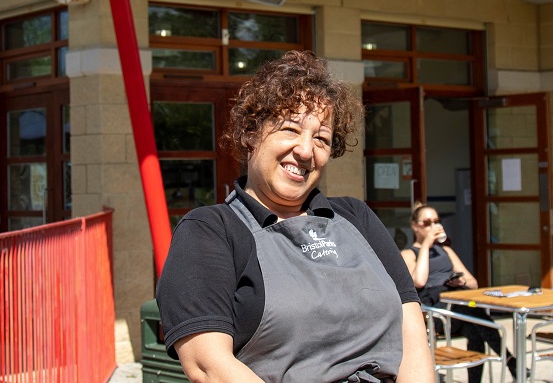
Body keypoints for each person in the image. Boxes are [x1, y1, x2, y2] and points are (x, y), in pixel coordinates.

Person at [157, 51, 434, 383]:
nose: (305, 150)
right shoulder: (211, 231)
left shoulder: (356, 217)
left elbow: (412, 328)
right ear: (251, 134)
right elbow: (210, 367)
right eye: (290, 129)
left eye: (321, 138)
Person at [401, 204, 515, 381]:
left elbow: (473, 283)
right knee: (475, 313)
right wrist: (426, 245)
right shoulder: (409, 254)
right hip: (435, 312)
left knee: (475, 329)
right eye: (427, 223)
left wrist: (460, 281)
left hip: (458, 306)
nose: (433, 226)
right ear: (415, 226)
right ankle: (510, 361)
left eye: (436, 222)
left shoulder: (446, 251)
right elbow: (419, 281)